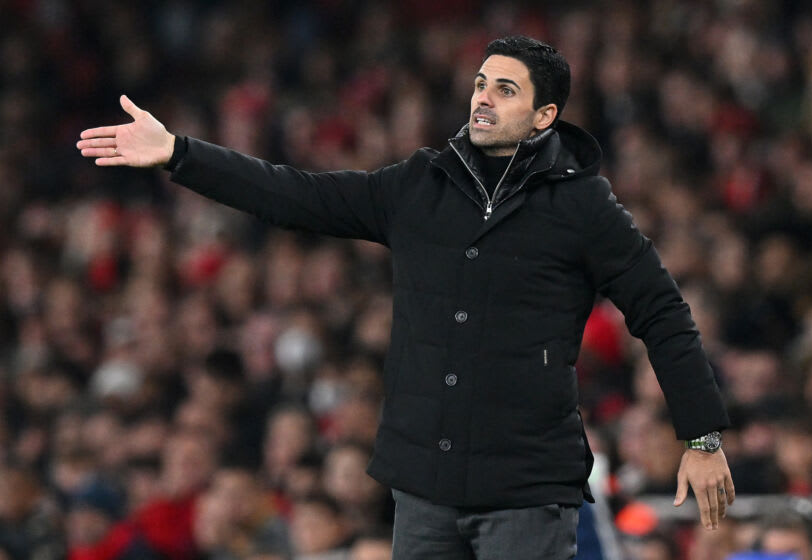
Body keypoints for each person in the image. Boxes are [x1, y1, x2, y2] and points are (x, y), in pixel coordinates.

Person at [78, 35, 734, 559]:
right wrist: (180, 154)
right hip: (424, 486)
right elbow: (294, 194)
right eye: (480, 83)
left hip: (525, 487)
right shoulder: (420, 184)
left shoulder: (583, 206)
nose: (483, 98)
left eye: (505, 90)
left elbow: (662, 310)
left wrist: (701, 438)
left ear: (544, 116)